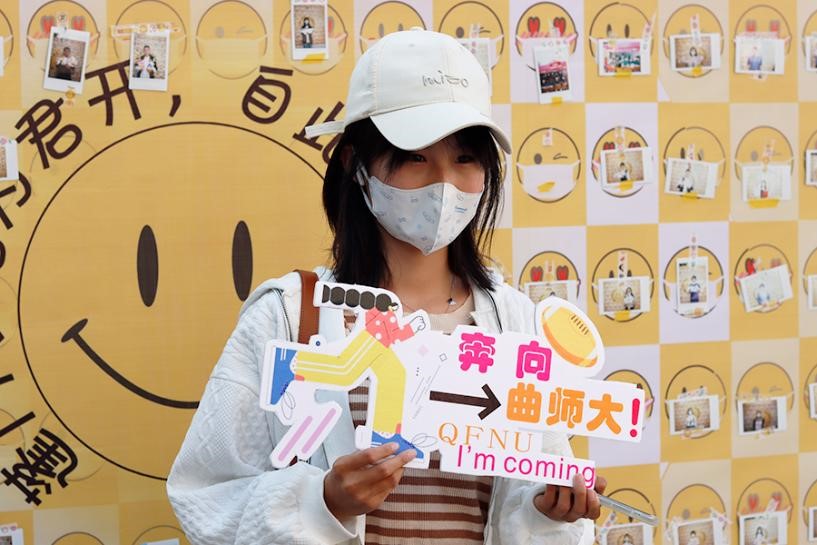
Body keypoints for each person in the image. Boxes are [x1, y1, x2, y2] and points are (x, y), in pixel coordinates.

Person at [167, 29, 605, 545]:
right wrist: (323, 502)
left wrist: (549, 511)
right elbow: (204, 496)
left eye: (465, 158)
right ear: (355, 163)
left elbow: (533, 490)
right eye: (416, 156)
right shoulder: (288, 315)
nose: (445, 183)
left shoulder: (517, 325)